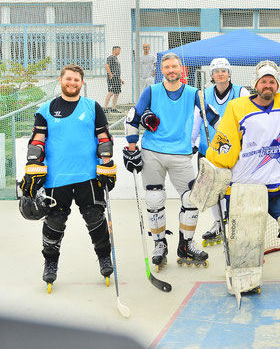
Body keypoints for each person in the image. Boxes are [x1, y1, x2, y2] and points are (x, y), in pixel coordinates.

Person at [204, 60, 280, 294]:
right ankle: (243, 277)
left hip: (278, 186)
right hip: (246, 188)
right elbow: (224, 145)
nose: (268, 86)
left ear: (277, 85)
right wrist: (212, 173)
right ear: (256, 84)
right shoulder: (237, 107)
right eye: (264, 81)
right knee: (245, 238)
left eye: (272, 82)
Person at [19, 64, 117, 291]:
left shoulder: (93, 107)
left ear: (82, 83)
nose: (72, 83)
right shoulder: (45, 109)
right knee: (54, 223)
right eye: (69, 79)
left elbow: (104, 139)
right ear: (61, 79)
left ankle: (104, 258)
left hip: (88, 176)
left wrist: (107, 167)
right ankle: (50, 264)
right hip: (56, 178)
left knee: (95, 218)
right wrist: (32, 170)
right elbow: (36, 143)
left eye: (76, 80)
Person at [122, 52, 218, 271]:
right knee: (154, 199)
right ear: (161, 70)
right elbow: (132, 118)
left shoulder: (194, 93)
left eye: (175, 66)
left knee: (192, 199)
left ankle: (186, 245)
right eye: (167, 67)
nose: (171, 70)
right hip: (152, 153)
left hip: (181, 153)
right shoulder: (151, 91)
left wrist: (226, 138)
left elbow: (212, 117)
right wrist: (131, 148)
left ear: (181, 69)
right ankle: (159, 245)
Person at [197, 58, 250, 247]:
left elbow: (249, 117)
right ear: (211, 75)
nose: (220, 73)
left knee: (234, 189)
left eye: (224, 70)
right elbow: (197, 119)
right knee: (211, 190)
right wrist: (191, 143)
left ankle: (235, 222)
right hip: (208, 150)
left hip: (234, 151)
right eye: (216, 71)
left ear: (229, 74)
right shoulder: (203, 94)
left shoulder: (241, 92)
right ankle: (219, 223)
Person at [104, 46, 124, 113]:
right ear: (114, 50)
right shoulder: (111, 57)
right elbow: (106, 66)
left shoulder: (116, 59)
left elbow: (117, 70)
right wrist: (110, 74)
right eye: (118, 50)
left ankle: (113, 108)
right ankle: (105, 108)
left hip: (117, 79)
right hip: (113, 79)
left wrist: (120, 79)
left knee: (117, 93)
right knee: (111, 92)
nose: (119, 52)